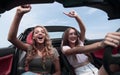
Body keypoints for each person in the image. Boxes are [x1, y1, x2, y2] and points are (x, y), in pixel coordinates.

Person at [61, 10, 120, 75]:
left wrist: (76, 17)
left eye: (75, 34)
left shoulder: (80, 43)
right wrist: (100, 44)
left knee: (115, 64)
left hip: (93, 67)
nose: (73, 36)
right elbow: (77, 50)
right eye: (71, 34)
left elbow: (83, 30)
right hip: (81, 71)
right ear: (66, 36)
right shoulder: (65, 48)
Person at [7, 4, 61, 75]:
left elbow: (58, 72)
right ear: (33, 37)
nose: (40, 33)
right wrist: (18, 14)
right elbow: (11, 38)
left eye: (42, 32)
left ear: (45, 36)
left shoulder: (53, 51)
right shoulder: (29, 48)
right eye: (36, 32)